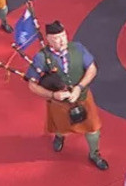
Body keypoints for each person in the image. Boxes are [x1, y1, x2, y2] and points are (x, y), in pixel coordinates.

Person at [24, 20, 109, 169]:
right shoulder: (41, 57)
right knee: (61, 127)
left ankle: (94, 154)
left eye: (63, 36)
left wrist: (79, 87)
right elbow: (32, 85)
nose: (62, 40)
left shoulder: (78, 48)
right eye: (56, 38)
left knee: (93, 129)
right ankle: (59, 136)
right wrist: (52, 95)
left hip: (82, 97)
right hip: (59, 103)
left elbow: (92, 68)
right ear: (48, 40)